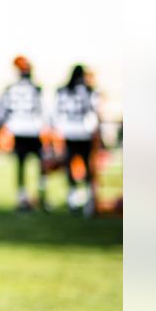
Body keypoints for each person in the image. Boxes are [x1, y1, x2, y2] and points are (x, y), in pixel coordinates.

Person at [0, 55, 48, 212]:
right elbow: (45, 110)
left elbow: (0, 112)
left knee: (21, 166)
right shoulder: (36, 88)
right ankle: (41, 195)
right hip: (34, 129)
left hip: (17, 130)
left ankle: (22, 197)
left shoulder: (10, 88)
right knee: (41, 165)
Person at [53, 64, 101, 216]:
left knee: (69, 165)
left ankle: (73, 197)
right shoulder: (89, 91)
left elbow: (57, 112)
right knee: (87, 166)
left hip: (69, 132)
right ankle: (88, 199)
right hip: (84, 132)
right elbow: (94, 113)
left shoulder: (63, 92)